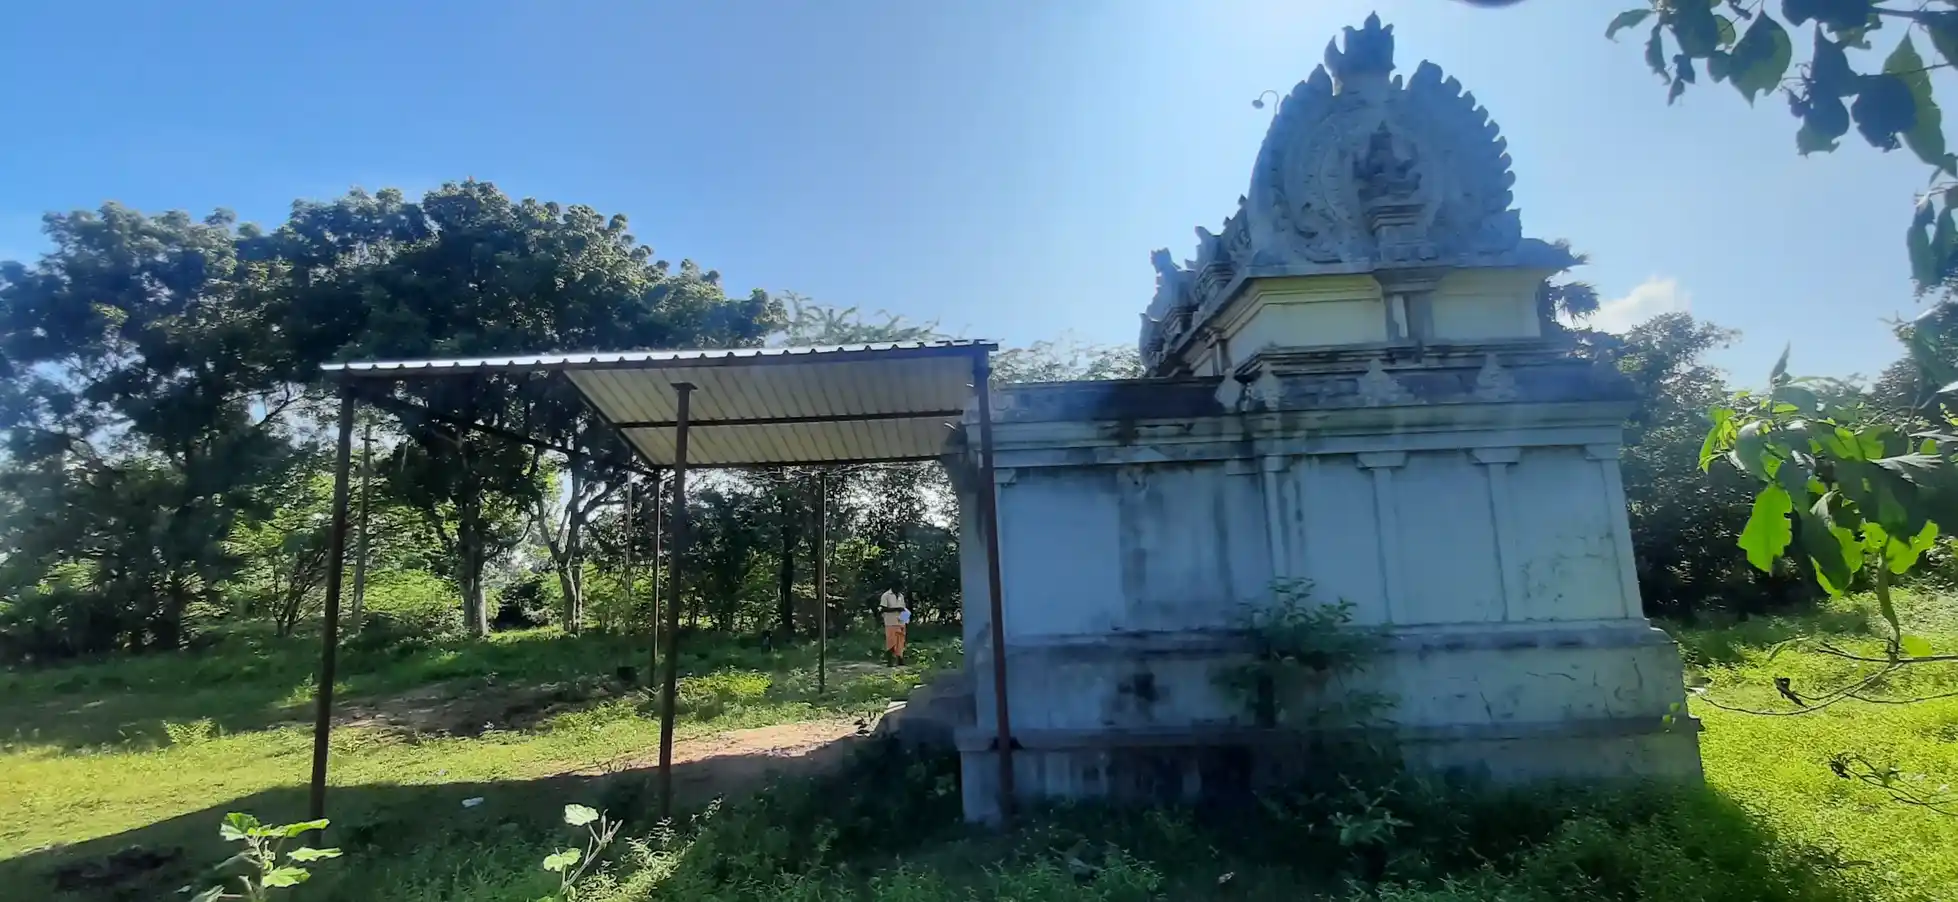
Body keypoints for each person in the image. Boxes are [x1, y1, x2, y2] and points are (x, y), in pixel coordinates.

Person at [879, 586, 909, 667]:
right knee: (891, 642)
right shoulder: (886, 595)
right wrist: (896, 609)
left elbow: (903, 608)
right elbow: (883, 609)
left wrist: (905, 619)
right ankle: (890, 661)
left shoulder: (901, 596)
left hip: (901, 621)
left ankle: (900, 660)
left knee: (900, 641)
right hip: (890, 622)